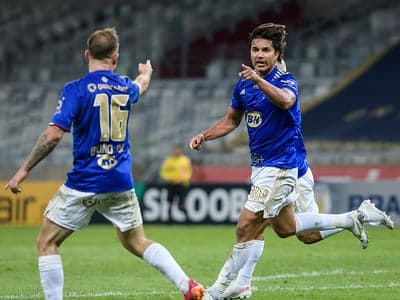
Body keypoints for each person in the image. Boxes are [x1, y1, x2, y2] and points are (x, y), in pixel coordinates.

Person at [188, 23, 393, 300]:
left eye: (266, 50)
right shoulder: (243, 85)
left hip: (282, 168)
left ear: (277, 54)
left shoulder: (285, 81)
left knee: (246, 226)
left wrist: (259, 80)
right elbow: (231, 121)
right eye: (254, 49)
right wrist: (204, 135)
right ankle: (350, 218)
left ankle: (216, 292)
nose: (259, 55)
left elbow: (286, 101)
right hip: (261, 167)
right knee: (288, 230)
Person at [4, 27, 204, 300]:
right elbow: (140, 86)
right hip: (120, 181)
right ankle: (188, 286)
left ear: (87, 55)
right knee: (136, 241)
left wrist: (24, 169)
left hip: (85, 182)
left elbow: (52, 135)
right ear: (116, 58)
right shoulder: (124, 85)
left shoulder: (75, 90)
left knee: (47, 242)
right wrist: (146, 73)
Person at [159, 144, 193, 221]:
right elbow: (163, 172)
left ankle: (188, 219)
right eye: (175, 150)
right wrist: (169, 178)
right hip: (171, 184)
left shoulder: (185, 160)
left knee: (182, 203)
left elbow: (189, 172)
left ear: (181, 150)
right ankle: (169, 220)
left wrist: (183, 179)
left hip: (182, 184)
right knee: (170, 202)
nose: (176, 151)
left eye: (178, 150)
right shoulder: (169, 160)